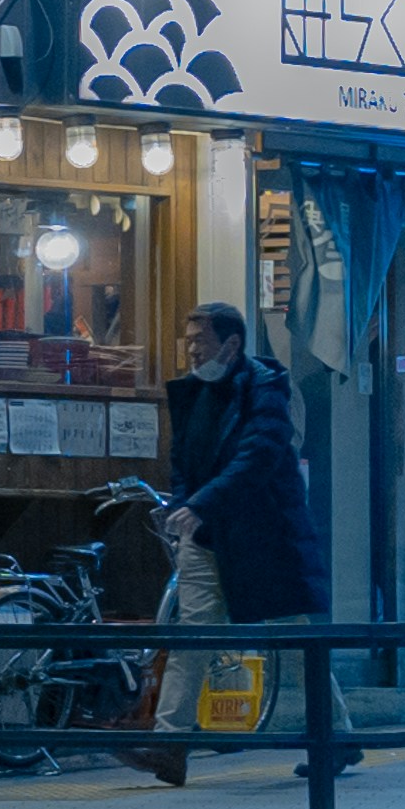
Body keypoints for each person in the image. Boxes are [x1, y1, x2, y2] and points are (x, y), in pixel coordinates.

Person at [155, 299, 342, 771]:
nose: (192, 351)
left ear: (232, 343)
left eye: (201, 341)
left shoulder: (267, 387)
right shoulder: (193, 393)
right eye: (189, 340)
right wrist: (184, 505)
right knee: (191, 635)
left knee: (295, 642)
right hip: (207, 534)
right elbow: (183, 463)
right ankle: (168, 744)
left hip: (266, 536)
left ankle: (337, 737)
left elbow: (258, 456)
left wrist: (199, 504)